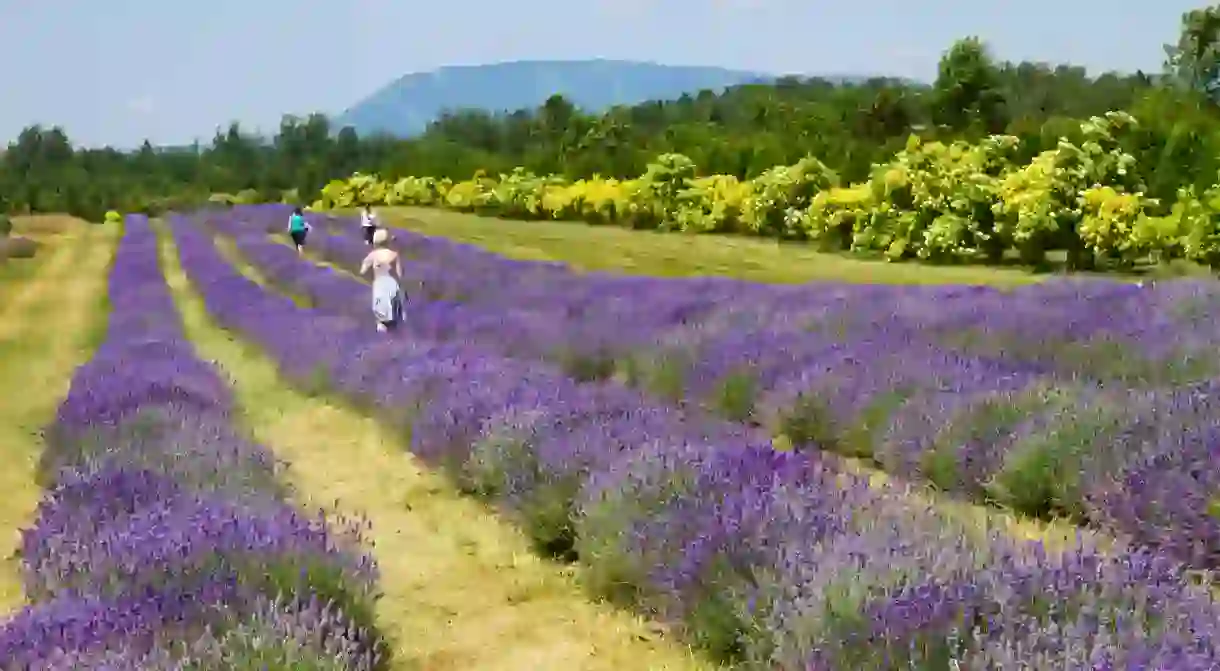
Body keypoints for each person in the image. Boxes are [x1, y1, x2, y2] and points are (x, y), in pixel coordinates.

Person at [359, 228, 403, 332]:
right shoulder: (394, 255)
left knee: (381, 320)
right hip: (393, 288)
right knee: (395, 320)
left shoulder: (373, 255)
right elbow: (400, 275)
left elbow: (363, 272)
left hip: (380, 287)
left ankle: (383, 341)